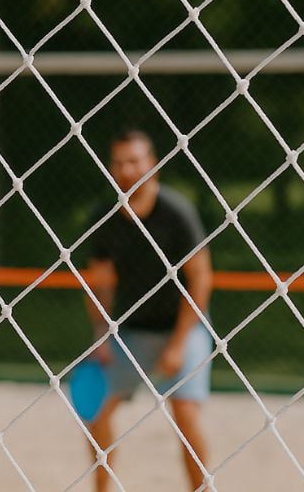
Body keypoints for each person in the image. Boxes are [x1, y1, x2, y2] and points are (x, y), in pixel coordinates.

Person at [83, 130, 213, 491]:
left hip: (183, 327)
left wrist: (177, 344)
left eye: (135, 161)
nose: (127, 170)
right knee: (93, 406)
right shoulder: (104, 215)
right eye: (120, 162)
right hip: (130, 330)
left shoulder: (176, 211)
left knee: (185, 415)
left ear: (152, 164)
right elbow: (101, 284)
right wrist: (101, 337)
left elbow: (200, 280)